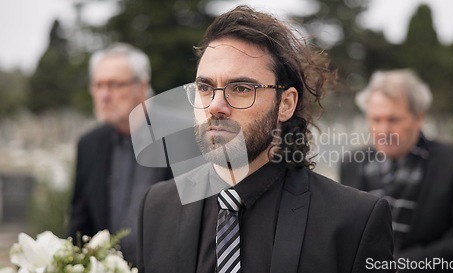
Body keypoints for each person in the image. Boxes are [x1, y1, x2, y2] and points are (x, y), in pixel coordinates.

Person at [137, 6, 394, 273]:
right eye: (205, 87)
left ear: (286, 103)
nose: (216, 105)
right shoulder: (157, 207)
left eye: (241, 89)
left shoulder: (354, 221)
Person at [341, 69, 453, 272]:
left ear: (419, 117)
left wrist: (398, 266)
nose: (383, 130)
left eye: (393, 119)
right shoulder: (351, 163)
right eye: (376, 120)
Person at [68, 43, 172, 266]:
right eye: (98, 85)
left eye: (115, 85)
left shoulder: (181, 135)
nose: (104, 95)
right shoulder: (89, 145)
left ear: (142, 87)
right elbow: (79, 224)